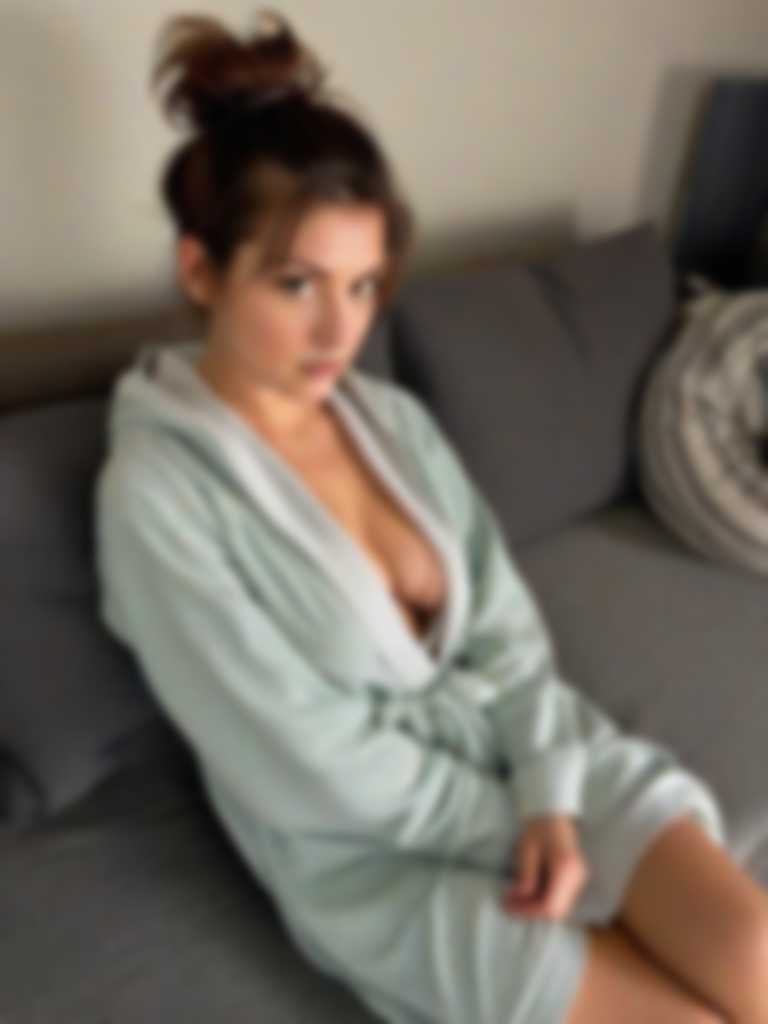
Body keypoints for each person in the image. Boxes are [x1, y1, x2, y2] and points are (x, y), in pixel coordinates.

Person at [94, 9, 768, 1023]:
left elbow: (505, 628)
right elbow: (304, 762)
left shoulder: (391, 420)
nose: (340, 330)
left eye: (364, 285)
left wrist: (550, 790)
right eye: (297, 284)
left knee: (755, 954)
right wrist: (518, 825)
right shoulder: (156, 497)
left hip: (540, 758)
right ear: (201, 270)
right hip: (375, 852)